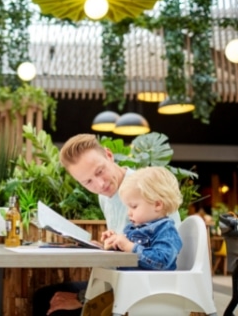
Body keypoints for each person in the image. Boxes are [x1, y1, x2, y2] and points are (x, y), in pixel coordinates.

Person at [32, 134, 182, 316]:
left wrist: (81, 298)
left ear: (109, 156)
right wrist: (105, 246)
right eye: (87, 182)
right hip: (122, 278)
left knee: (48, 303)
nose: (100, 184)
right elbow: (128, 247)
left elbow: (159, 259)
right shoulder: (105, 197)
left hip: (150, 286)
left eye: (99, 171)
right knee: (45, 296)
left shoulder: (145, 190)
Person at [102, 166, 183, 271]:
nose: (129, 213)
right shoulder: (132, 228)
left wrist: (130, 247)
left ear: (157, 204)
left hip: (151, 285)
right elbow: (125, 256)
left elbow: (161, 262)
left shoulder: (166, 231)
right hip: (130, 282)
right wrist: (114, 243)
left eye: (134, 206)